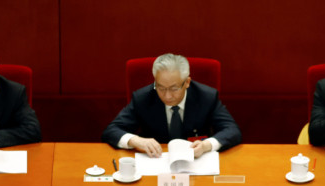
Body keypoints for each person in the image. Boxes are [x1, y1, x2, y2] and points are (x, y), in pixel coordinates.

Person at [102, 53, 242, 158]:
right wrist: (136, 140)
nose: (167, 96)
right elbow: (111, 130)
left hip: (196, 163)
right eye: (161, 88)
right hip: (155, 161)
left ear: (187, 82)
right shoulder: (143, 98)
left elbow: (232, 131)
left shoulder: (206, 97)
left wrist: (206, 145)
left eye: (174, 89)